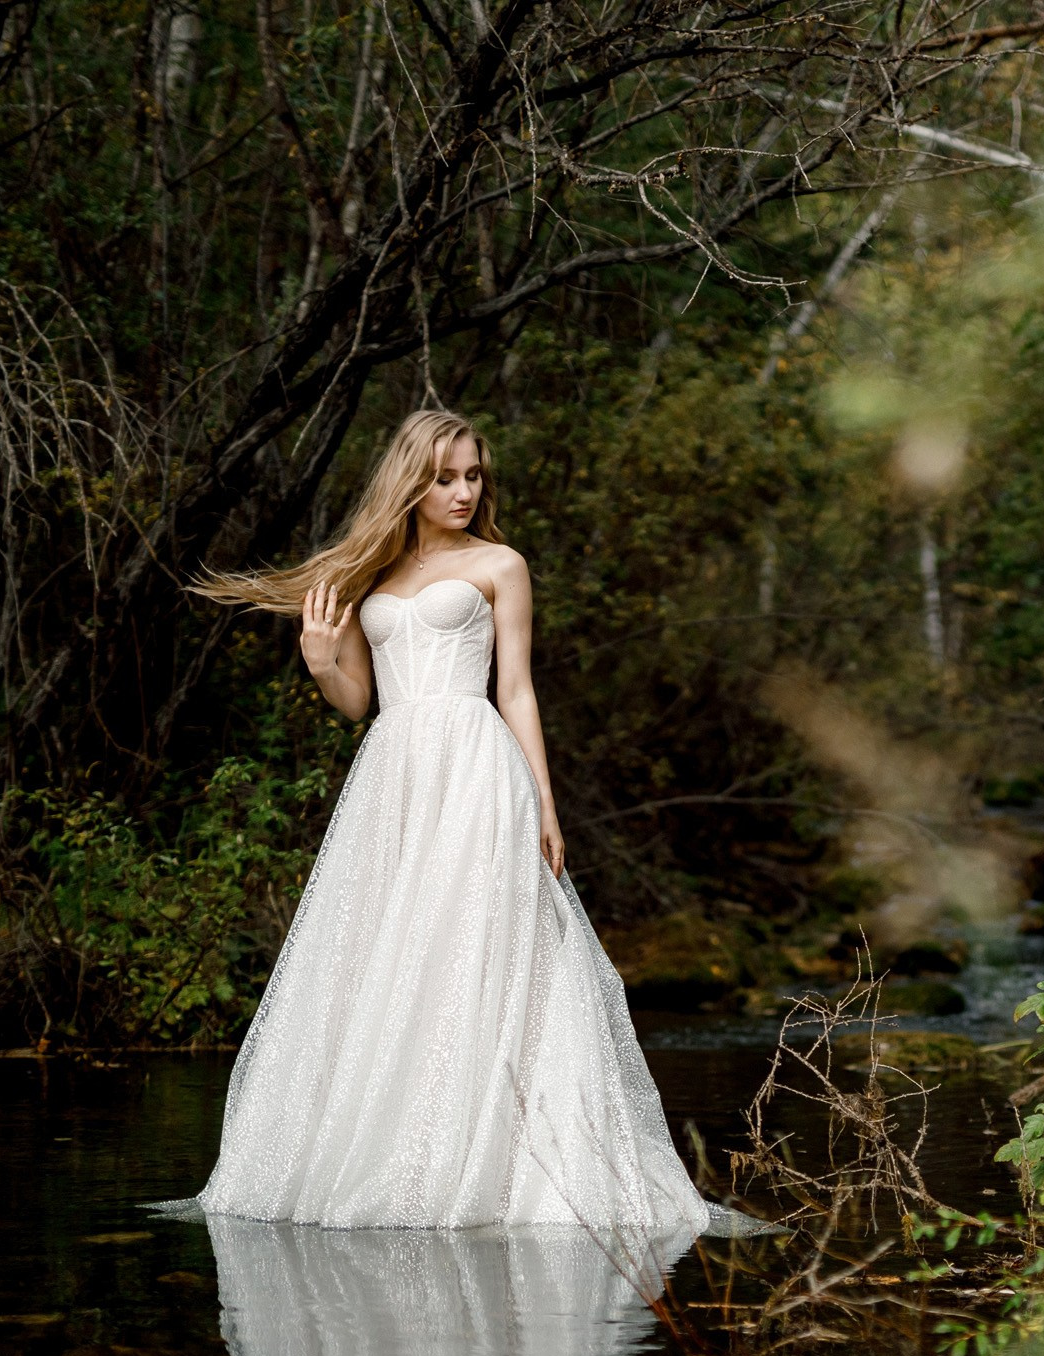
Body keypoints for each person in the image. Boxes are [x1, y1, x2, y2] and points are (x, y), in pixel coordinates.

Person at [183, 408, 710, 1232]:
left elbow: (517, 690)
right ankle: (392, 1150)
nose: (462, 492)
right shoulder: (368, 574)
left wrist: (545, 803)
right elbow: (358, 701)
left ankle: (494, 1161)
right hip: (392, 776)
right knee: (389, 951)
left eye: (471, 476)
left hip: (475, 767)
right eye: (443, 478)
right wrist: (320, 663)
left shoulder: (501, 564)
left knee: (474, 946)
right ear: (410, 481)